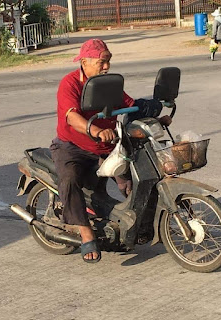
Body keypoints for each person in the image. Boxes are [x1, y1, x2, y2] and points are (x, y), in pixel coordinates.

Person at [50, 38, 171, 263]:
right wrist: (94, 129)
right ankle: (86, 233)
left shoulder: (109, 85)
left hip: (107, 147)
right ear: (84, 62)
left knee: (135, 179)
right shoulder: (70, 83)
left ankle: (138, 225)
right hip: (72, 146)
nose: (106, 67)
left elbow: (130, 105)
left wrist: (156, 117)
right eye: (102, 62)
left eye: (108, 61)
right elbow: (71, 116)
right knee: (69, 178)